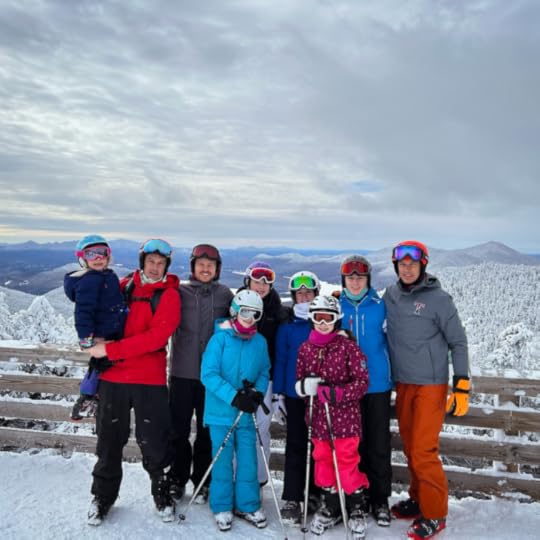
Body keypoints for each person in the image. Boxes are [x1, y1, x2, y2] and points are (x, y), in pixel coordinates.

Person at [83, 239, 181, 526]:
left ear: (166, 266)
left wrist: (110, 350)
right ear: (142, 261)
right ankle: (102, 496)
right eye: (151, 261)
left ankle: (161, 494)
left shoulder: (169, 295)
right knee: (109, 440)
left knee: (155, 441)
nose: (154, 266)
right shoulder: (122, 285)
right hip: (112, 376)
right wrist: (91, 337)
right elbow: (95, 309)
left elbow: (156, 338)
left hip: (148, 379)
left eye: (160, 263)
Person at [384, 240, 470, 540]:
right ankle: (419, 498)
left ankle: (435, 513)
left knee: (423, 451)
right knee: (410, 447)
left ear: (423, 265)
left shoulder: (439, 299)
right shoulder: (391, 294)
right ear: (396, 266)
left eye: (413, 263)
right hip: (403, 382)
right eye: (402, 263)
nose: (407, 268)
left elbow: (458, 342)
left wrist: (461, 384)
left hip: (431, 384)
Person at [295, 295, 370, 538]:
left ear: (336, 318)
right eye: (318, 317)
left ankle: (356, 506)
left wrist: (336, 393)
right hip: (318, 420)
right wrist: (305, 388)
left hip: (345, 420)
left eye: (328, 317)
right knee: (322, 461)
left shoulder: (348, 347)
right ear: (311, 319)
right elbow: (299, 380)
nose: (323, 322)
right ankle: (332, 504)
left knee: (346, 462)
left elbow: (361, 383)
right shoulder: (306, 348)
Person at [200, 290, 271, 532]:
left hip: (246, 414)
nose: (249, 318)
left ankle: (247, 504)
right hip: (221, 413)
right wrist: (233, 397)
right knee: (221, 459)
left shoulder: (259, 342)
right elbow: (208, 374)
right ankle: (221, 505)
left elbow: (264, 371)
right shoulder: (219, 339)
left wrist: (257, 393)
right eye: (245, 312)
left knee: (248, 459)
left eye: (255, 314)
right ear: (234, 311)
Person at [168, 244, 233, 503]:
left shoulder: (225, 294)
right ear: (193, 266)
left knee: (207, 432)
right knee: (178, 431)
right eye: (201, 264)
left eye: (211, 265)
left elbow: (245, 320)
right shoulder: (179, 292)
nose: (205, 269)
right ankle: (176, 478)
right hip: (182, 374)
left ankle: (203, 480)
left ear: (217, 269)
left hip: (213, 378)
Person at [338, 255, 393, 527]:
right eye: (351, 277)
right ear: (344, 280)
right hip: (347, 388)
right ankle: (355, 497)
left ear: (368, 280)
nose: (356, 281)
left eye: (360, 277)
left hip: (377, 385)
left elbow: (396, 340)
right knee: (352, 445)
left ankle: (380, 499)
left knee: (378, 444)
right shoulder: (337, 307)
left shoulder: (380, 306)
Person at [273, 271, 322, 525]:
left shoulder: (324, 322)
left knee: (319, 448)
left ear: (316, 294)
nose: (304, 296)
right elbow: (281, 360)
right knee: (295, 446)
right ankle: (292, 497)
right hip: (294, 395)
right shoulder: (287, 328)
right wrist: (279, 393)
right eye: (299, 293)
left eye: (308, 292)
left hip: (320, 396)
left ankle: (314, 493)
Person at [64, 234, 126, 420]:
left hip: (111, 331)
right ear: (83, 258)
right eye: (91, 254)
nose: (98, 258)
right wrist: (86, 340)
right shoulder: (90, 280)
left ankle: (93, 397)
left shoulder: (106, 275)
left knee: (103, 366)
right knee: (98, 365)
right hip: (101, 334)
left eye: (102, 252)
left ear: (108, 255)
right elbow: (83, 312)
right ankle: (87, 397)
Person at [238, 261, 289, 485]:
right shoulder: (235, 307)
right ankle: (235, 479)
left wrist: (278, 389)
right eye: (256, 281)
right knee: (238, 429)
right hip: (237, 379)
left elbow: (281, 352)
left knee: (261, 430)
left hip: (265, 381)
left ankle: (258, 480)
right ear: (247, 281)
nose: (261, 286)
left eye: (266, 282)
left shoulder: (278, 312)